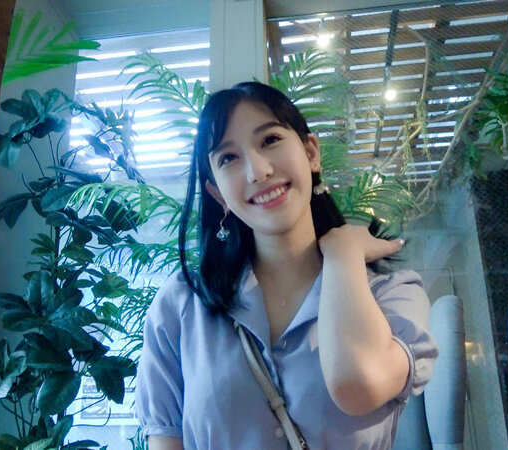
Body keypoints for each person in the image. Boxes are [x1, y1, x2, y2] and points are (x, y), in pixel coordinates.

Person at [134, 81, 438, 449]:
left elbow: (358, 386)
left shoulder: (392, 294)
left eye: (270, 140)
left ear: (311, 153)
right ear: (217, 193)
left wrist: (343, 255)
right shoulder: (181, 304)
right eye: (228, 158)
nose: (258, 171)